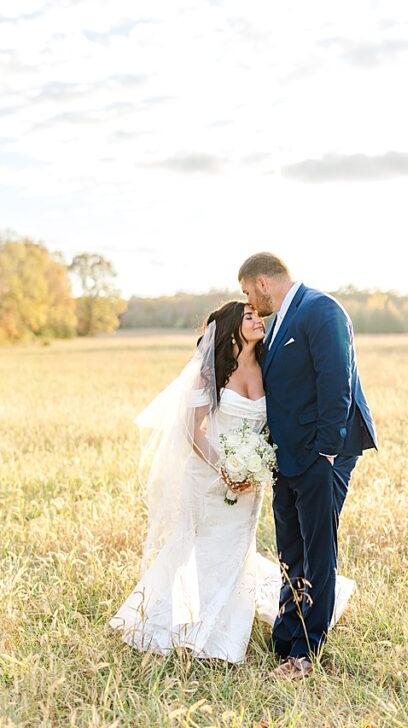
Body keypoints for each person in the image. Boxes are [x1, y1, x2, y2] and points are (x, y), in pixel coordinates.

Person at [109, 302, 354, 663]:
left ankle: (226, 629)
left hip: (249, 480)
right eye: (250, 317)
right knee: (200, 547)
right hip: (209, 475)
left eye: (259, 315)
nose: (260, 321)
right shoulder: (211, 372)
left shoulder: (268, 365)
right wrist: (224, 468)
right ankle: (183, 623)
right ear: (231, 329)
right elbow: (193, 430)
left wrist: (256, 466)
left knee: (238, 550)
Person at [239, 253, 377, 680]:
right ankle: (287, 633)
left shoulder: (322, 309)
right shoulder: (278, 320)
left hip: (321, 455)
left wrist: (328, 451)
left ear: (263, 282)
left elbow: (337, 380)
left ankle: (306, 650)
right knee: (290, 546)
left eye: (247, 291)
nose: (248, 299)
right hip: (287, 454)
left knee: (318, 549)